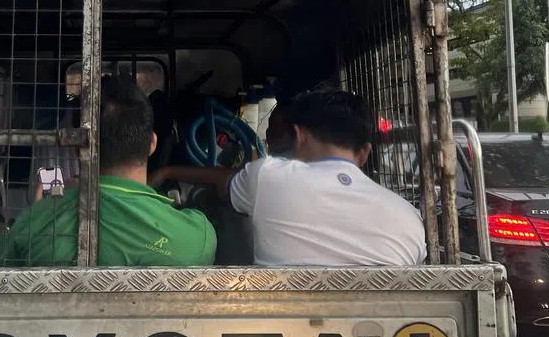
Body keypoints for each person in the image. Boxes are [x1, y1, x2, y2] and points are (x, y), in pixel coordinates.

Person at [153, 89, 426, 267]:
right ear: (365, 153)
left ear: (297, 135)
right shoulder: (410, 219)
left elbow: (221, 182)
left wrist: (167, 171)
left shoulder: (266, 177)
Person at [0, 76, 216, 267]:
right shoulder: (198, 236)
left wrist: (42, 214)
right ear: (152, 144)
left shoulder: (35, 224)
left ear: (79, 149)